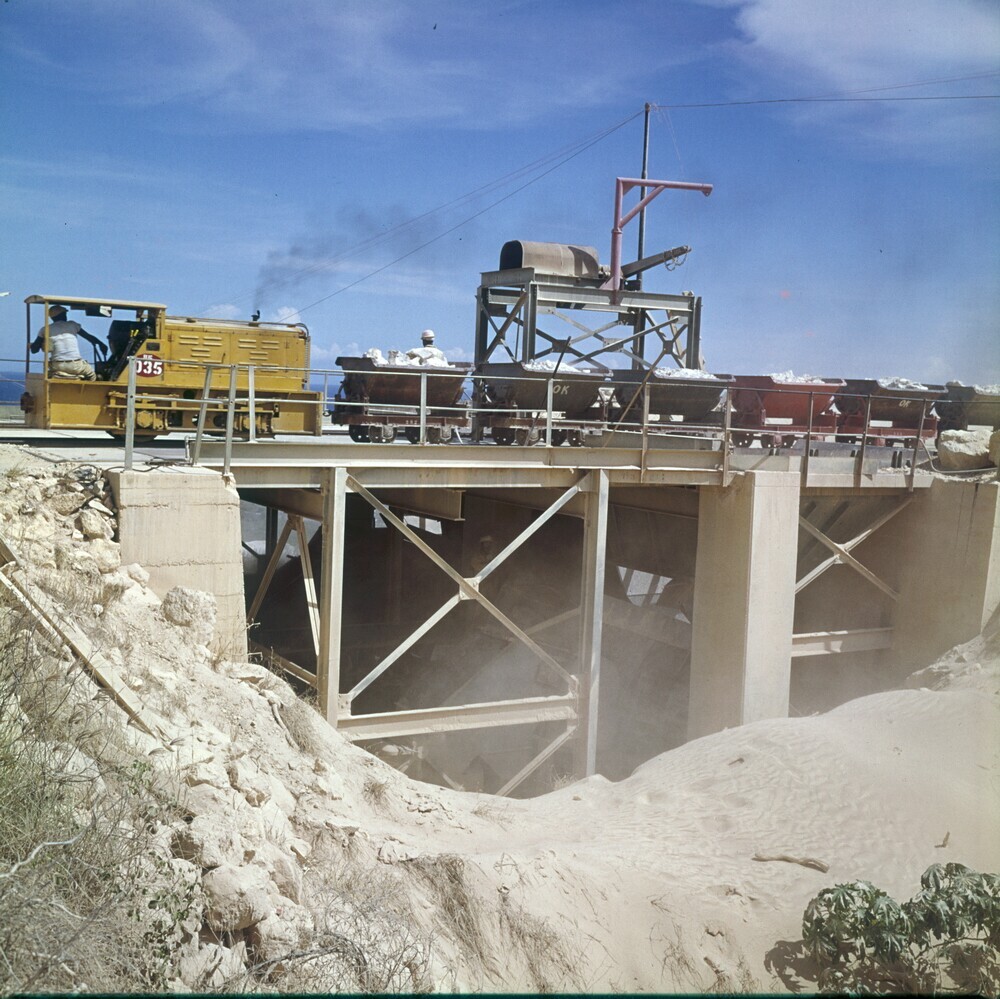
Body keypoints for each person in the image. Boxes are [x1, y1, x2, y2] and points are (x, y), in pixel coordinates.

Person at [30, 305, 107, 380]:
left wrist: (34, 345)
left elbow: (34, 350)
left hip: (57, 366)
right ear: (62, 315)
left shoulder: (45, 329)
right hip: (75, 366)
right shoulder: (72, 325)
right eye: (65, 313)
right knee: (92, 375)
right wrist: (101, 344)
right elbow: (89, 337)